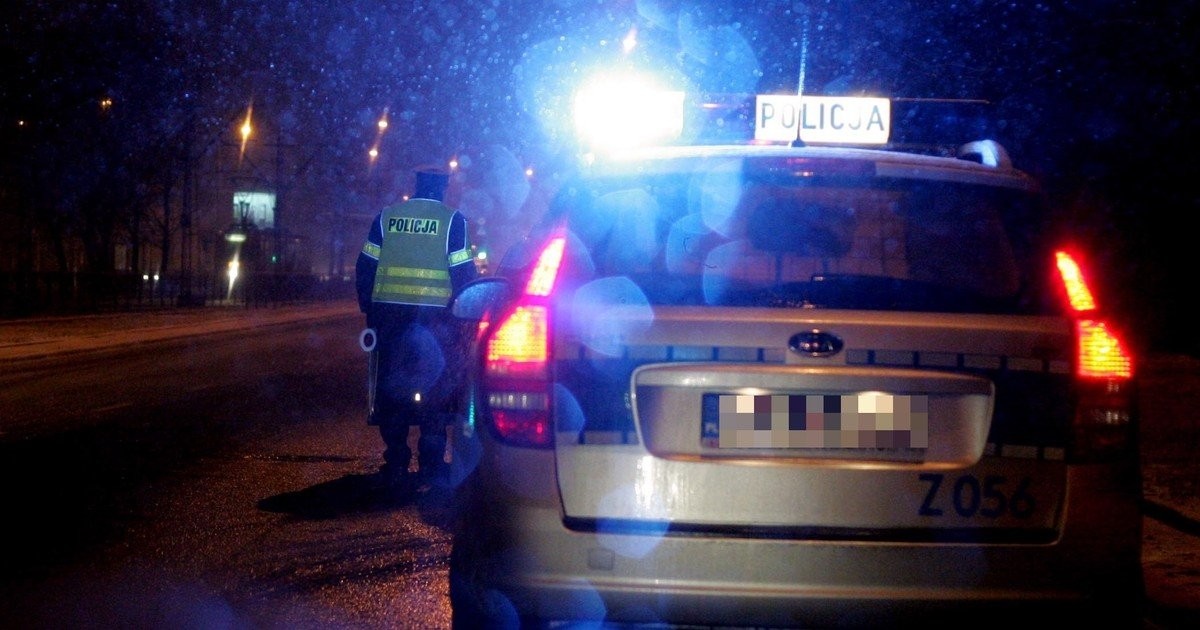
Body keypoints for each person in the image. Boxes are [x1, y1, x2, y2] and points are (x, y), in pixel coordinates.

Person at [355, 167, 478, 493]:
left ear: (417, 187)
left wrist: (369, 309)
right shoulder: (452, 221)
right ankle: (432, 465)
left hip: (390, 319)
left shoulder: (388, 217)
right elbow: (463, 274)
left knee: (392, 390)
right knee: (435, 391)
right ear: (443, 189)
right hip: (436, 322)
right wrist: (466, 313)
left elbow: (365, 266)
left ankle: (396, 461)